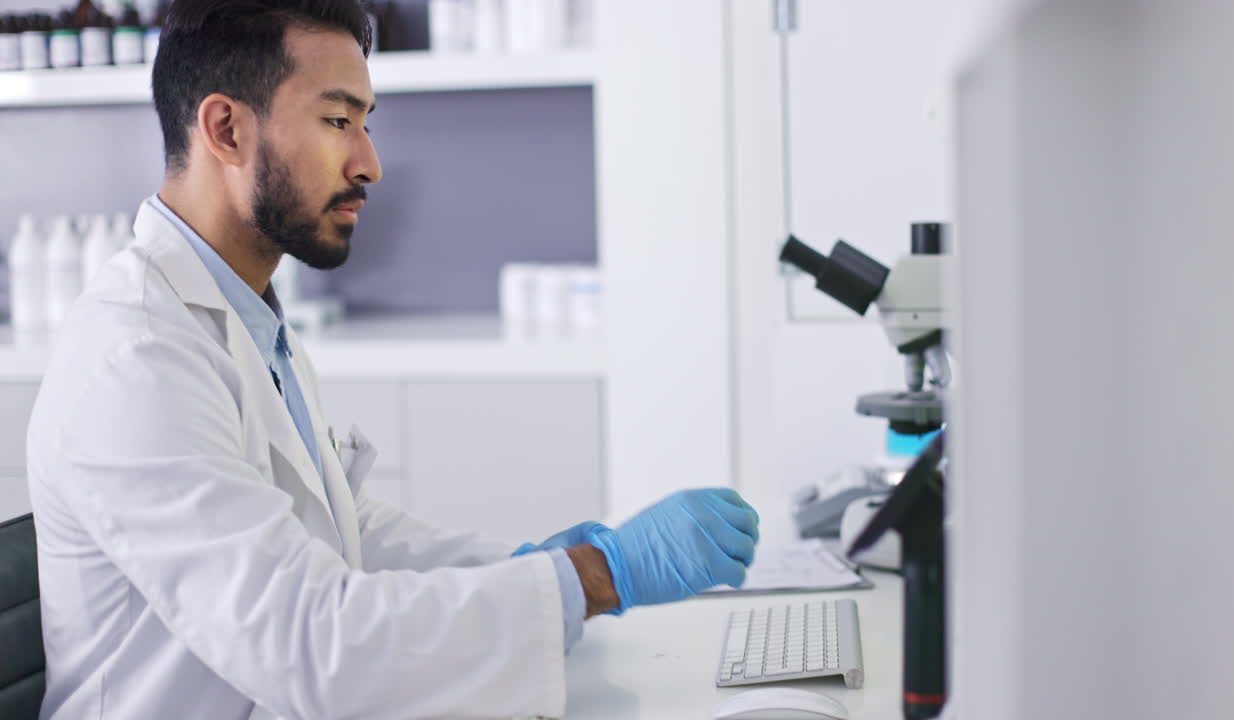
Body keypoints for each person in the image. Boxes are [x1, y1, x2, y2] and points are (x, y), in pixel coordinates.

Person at [24, 2, 761, 718]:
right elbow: (313, 644)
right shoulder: (135, 357)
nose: (370, 162)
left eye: (366, 123)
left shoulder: (243, 319)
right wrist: (595, 578)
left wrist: (531, 567)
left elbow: (343, 536)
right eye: (338, 120)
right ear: (225, 128)